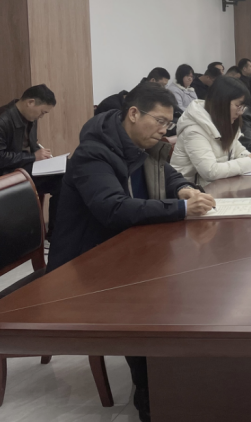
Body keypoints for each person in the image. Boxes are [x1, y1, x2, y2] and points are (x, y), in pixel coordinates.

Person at [46, 82, 216, 422]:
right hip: (85, 265)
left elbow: (168, 174)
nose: (164, 130)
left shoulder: (143, 144)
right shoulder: (93, 154)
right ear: (134, 114)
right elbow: (114, 209)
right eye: (160, 121)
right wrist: (181, 209)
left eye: (169, 123)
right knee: (152, 303)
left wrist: (184, 189)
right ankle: (151, 397)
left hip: (126, 248)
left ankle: (190, 376)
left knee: (189, 286)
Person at [171, 76, 251, 186]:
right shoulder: (194, 130)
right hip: (191, 191)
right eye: (238, 106)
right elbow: (210, 172)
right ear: (221, 102)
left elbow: (238, 150)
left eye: (243, 107)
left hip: (218, 187)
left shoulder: (223, 123)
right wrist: (248, 162)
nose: (241, 112)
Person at [0, 84, 62, 238]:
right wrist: (34, 157)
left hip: (25, 167)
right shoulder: (3, 120)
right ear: (30, 102)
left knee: (65, 176)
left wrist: (44, 157)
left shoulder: (30, 117)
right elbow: (1, 158)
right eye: (42, 112)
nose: (41, 116)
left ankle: (56, 234)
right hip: (9, 173)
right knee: (62, 179)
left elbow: (32, 145)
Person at [95, 68, 170, 115]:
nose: (163, 89)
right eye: (162, 85)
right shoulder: (112, 105)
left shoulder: (145, 95)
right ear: (152, 81)